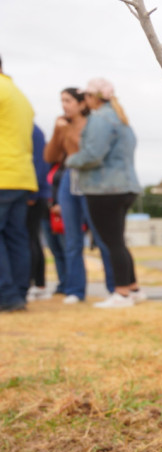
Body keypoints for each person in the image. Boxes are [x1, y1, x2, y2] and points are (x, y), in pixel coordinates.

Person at [65, 78, 144, 308]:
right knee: (118, 240)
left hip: (104, 188)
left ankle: (121, 293)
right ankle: (132, 288)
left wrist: (71, 160)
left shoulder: (99, 119)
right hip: (126, 186)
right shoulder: (121, 119)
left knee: (111, 242)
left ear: (92, 98)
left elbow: (92, 155)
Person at [44, 87, 115, 305]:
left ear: (81, 104)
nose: (64, 105)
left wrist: (66, 131)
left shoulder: (91, 123)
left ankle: (115, 288)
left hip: (91, 179)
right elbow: (50, 156)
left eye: (68, 100)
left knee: (101, 236)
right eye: (61, 100)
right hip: (68, 179)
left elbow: (83, 151)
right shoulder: (62, 125)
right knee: (72, 239)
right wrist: (57, 132)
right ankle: (75, 290)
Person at [0, 54, 37, 313]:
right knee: (17, 237)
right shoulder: (18, 94)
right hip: (22, 175)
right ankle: (20, 292)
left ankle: (7, 294)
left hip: (3, 173)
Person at [26, 124, 62, 301]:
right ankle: (37, 284)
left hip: (34, 193)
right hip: (36, 192)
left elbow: (40, 164)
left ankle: (34, 283)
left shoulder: (33, 132)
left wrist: (35, 191)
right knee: (33, 240)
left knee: (29, 239)